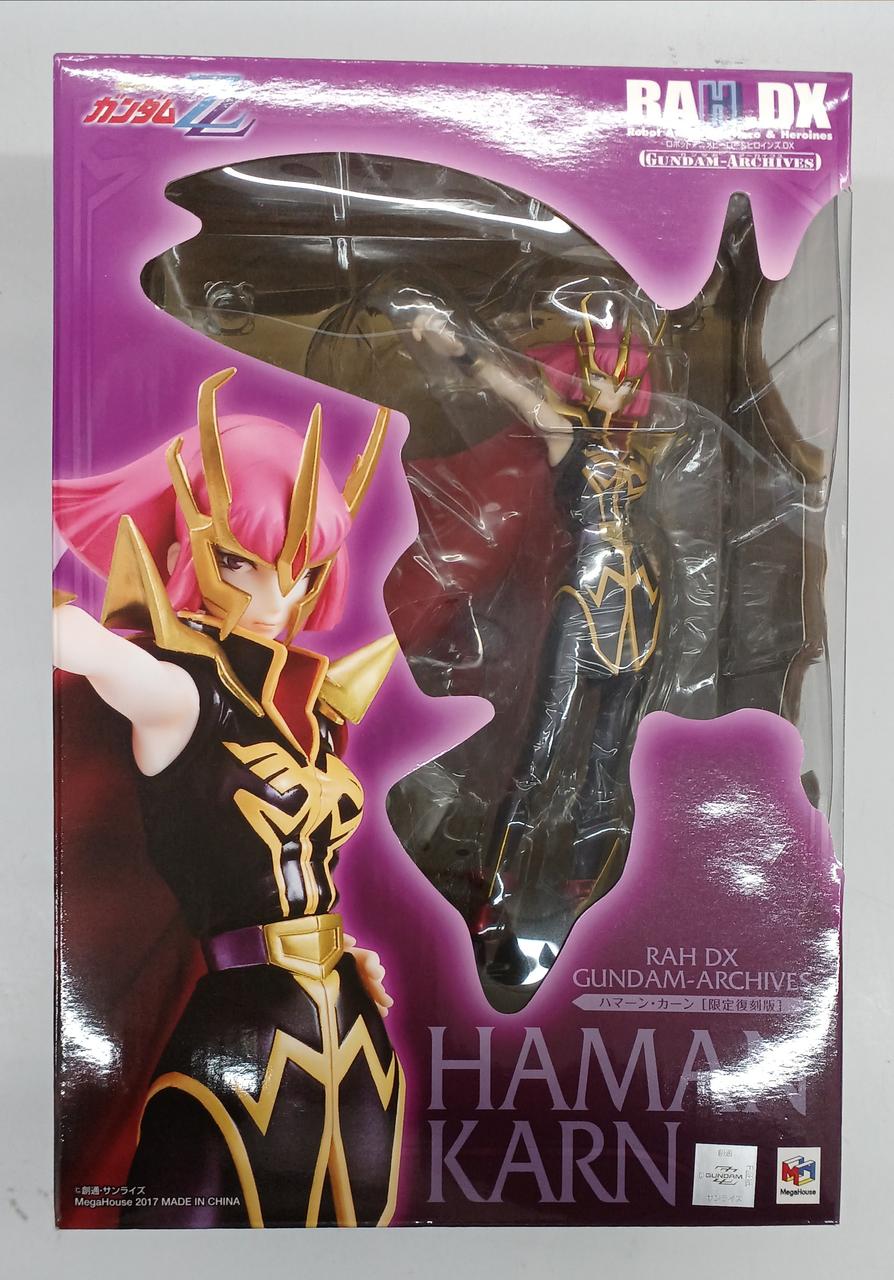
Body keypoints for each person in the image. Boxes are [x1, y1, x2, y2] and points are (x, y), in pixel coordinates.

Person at [53, 367, 404, 1227]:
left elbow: (295, 864)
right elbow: (67, 635)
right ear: (184, 553)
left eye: (300, 569)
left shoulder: (314, 712)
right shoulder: (177, 696)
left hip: (353, 1031)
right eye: (241, 563)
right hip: (238, 1037)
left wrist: (335, 947)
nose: (273, 598)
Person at [410, 292, 670, 988]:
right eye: (601, 375)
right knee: (540, 749)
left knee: (608, 760)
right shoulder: (565, 433)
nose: (614, 389)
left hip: (639, 604)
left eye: (624, 378)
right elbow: (511, 388)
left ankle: (591, 900)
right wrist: (448, 341)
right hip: (581, 601)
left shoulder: (644, 446)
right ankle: (490, 891)